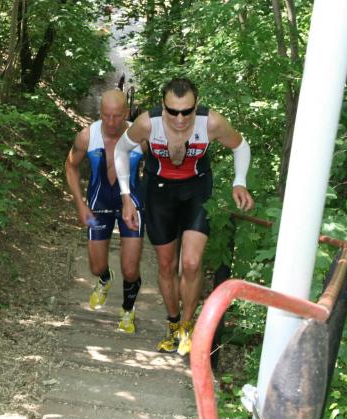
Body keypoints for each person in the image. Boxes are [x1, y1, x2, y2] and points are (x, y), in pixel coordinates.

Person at [114, 77, 254, 355]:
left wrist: (240, 182)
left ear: (196, 105)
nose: (180, 119)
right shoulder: (148, 123)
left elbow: (240, 146)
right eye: (173, 111)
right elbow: (121, 149)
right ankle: (173, 323)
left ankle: (188, 327)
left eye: (187, 111)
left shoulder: (211, 122)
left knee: (191, 263)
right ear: (163, 105)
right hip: (158, 192)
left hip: (196, 190)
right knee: (166, 265)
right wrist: (126, 195)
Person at [65, 89, 145, 334]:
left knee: (130, 268)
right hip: (98, 206)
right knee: (95, 267)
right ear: (100, 113)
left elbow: (160, 167)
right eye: (106, 116)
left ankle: (128, 310)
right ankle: (105, 279)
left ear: (127, 113)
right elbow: (70, 166)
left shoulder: (140, 137)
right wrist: (80, 203)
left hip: (131, 205)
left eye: (117, 116)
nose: (111, 122)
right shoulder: (87, 136)